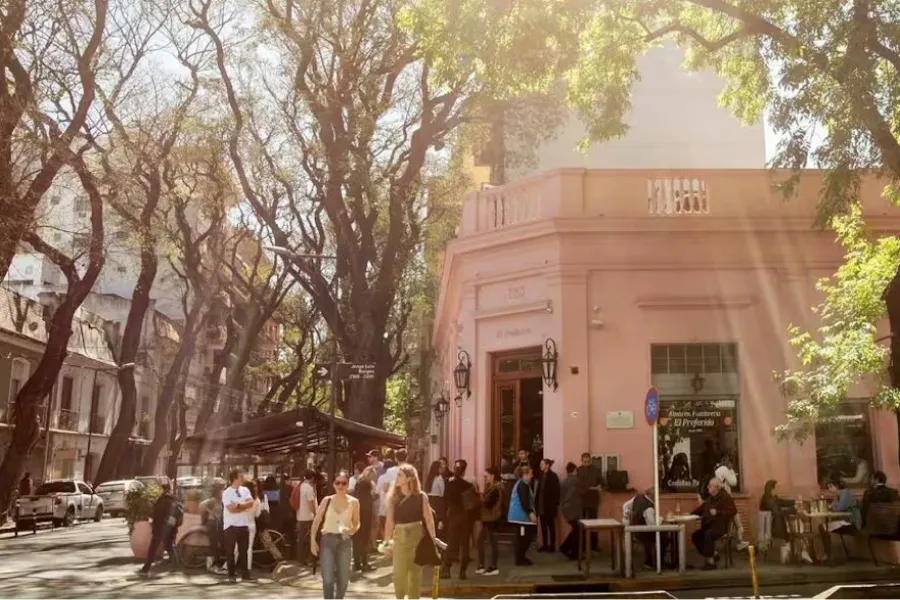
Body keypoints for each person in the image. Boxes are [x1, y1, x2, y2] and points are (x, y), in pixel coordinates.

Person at [383, 464, 437, 600]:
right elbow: (389, 522)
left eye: (400, 475)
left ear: (409, 478)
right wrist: (386, 542)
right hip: (400, 537)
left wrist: (433, 539)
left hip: (417, 537)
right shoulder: (394, 497)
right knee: (398, 574)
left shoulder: (421, 496)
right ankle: (400, 597)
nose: (397, 478)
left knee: (415, 575)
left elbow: (429, 519)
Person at [311, 470, 360, 599]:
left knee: (343, 579)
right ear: (333, 484)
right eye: (337, 483)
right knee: (328, 579)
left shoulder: (354, 502)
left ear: (348, 485)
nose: (340, 486)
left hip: (345, 541)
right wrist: (312, 541)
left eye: (343, 483)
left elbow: (356, 522)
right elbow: (316, 521)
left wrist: (352, 530)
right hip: (328, 540)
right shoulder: (327, 500)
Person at [759, 480, 810, 564]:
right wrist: (793, 509)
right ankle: (799, 554)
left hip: (777, 524)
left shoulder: (771, 498)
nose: (779, 489)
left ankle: (800, 553)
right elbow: (778, 513)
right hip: (774, 527)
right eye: (777, 487)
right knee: (797, 530)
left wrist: (795, 502)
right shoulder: (769, 500)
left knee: (797, 527)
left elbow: (782, 502)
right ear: (772, 489)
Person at [691, 477, 737, 570]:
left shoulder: (725, 497)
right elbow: (703, 507)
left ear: (716, 487)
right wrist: (691, 514)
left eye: (709, 486)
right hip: (709, 525)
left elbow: (733, 511)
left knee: (708, 534)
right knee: (696, 536)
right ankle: (713, 554)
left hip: (720, 527)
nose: (708, 488)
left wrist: (718, 512)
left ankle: (711, 563)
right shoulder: (711, 498)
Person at [442, 459, 476, 579]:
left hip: (453, 516)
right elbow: (473, 504)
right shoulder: (468, 486)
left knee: (451, 543)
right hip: (465, 517)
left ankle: (446, 569)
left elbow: (445, 501)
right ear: (464, 471)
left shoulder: (448, 484)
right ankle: (462, 572)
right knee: (464, 545)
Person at [139, 482, 180, 576]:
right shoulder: (173, 499)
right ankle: (176, 566)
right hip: (169, 527)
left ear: (163, 489)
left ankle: (146, 568)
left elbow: (158, 513)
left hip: (161, 526)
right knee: (168, 546)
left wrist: (154, 521)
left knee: (153, 547)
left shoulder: (163, 499)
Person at [819, 477, 862, 563]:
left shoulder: (845, 493)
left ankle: (828, 555)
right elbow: (832, 507)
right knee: (823, 527)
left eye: (831, 486)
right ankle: (827, 554)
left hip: (852, 523)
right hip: (845, 521)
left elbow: (838, 508)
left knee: (823, 527)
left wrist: (832, 507)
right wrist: (832, 506)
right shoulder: (839, 495)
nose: (830, 489)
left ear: (837, 486)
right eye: (828, 487)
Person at [223, 469, 255, 583]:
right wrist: (243, 506)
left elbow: (251, 503)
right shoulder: (227, 492)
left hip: (243, 524)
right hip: (231, 526)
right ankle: (231, 574)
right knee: (230, 551)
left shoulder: (245, 490)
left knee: (244, 551)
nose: (243, 478)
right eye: (241, 476)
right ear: (235, 478)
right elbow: (231, 509)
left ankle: (245, 574)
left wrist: (238, 505)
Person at [714, 455, 748, 551]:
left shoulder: (717, 470)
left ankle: (733, 539)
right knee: (736, 518)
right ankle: (739, 541)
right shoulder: (725, 469)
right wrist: (732, 471)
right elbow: (733, 482)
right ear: (728, 462)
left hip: (720, 499)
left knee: (732, 519)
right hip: (727, 499)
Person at [507, 464, 537, 566]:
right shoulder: (523, 485)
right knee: (524, 538)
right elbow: (524, 501)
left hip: (520, 516)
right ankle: (520, 560)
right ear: (525, 474)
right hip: (520, 518)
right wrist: (531, 513)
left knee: (524, 538)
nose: (532, 476)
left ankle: (521, 558)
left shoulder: (522, 483)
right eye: (531, 473)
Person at [626, 488, 663, 569]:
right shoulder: (648, 507)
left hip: (635, 529)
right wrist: (660, 519)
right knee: (664, 538)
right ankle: (658, 562)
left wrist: (627, 517)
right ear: (652, 495)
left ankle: (652, 561)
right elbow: (652, 525)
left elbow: (626, 506)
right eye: (657, 495)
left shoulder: (638, 498)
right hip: (644, 533)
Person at [476, 467, 503, 576]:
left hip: (492, 519)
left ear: (493, 476)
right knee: (482, 542)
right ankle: (483, 566)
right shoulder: (491, 487)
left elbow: (489, 504)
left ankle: (493, 567)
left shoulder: (495, 489)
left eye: (486, 476)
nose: (485, 478)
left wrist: (479, 499)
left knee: (492, 543)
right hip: (488, 518)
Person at [292, 470, 318, 567]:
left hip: (299, 516)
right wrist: (315, 513)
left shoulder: (300, 486)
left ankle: (300, 560)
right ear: (312, 478)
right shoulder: (309, 488)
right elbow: (310, 503)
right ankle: (309, 560)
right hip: (308, 517)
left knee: (301, 539)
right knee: (310, 539)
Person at [353, 466, 377, 572]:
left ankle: (357, 563)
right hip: (366, 513)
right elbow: (370, 498)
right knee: (365, 538)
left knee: (357, 538)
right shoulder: (368, 484)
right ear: (370, 474)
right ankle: (365, 563)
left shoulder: (358, 483)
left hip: (357, 512)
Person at [576, 452, 602, 550]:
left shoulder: (596, 470)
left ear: (590, 460)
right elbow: (577, 485)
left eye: (588, 461)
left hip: (593, 500)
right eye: (584, 461)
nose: (586, 463)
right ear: (581, 461)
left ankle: (594, 545)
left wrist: (598, 487)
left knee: (594, 523)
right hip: (582, 500)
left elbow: (601, 482)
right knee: (582, 523)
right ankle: (582, 545)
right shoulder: (578, 470)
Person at [200, 479, 226, 573]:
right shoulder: (212, 500)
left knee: (220, 544)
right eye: (222, 488)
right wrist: (211, 513)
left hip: (218, 524)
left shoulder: (221, 500)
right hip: (212, 524)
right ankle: (214, 565)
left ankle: (216, 564)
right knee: (215, 545)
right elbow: (202, 507)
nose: (223, 490)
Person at [558, 462, 583, 559]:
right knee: (577, 530)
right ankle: (569, 550)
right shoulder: (577, 480)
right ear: (574, 470)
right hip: (574, 509)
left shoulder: (563, 481)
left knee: (575, 529)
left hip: (565, 508)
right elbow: (583, 491)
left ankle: (570, 550)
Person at [536, 458, 560, 552]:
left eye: (542, 464)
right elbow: (538, 491)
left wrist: (554, 504)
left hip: (549, 506)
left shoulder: (553, 476)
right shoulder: (541, 475)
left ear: (547, 465)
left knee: (550, 526)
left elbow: (556, 491)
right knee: (543, 526)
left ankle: (552, 545)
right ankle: (544, 544)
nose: (540, 466)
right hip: (541, 505)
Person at [424, 460, 446, 533]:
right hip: (437, 501)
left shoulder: (429, 478)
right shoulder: (439, 478)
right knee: (438, 519)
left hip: (429, 500)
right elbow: (442, 493)